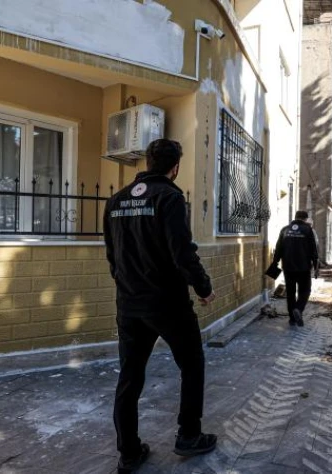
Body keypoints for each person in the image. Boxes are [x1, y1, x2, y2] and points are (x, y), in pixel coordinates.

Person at [103, 139, 217, 473]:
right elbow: (181, 252)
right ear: (175, 167)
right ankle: (189, 435)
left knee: (130, 375)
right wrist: (204, 288)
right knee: (192, 365)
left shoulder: (115, 201)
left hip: (129, 304)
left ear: (147, 161)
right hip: (168, 304)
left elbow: (112, 257)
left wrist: (128, 288)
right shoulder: (170, 197)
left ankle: (128, 451)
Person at [272, 210, 319, 327]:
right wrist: (316, 265)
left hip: (288, 267)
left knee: (291, 292)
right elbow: (313, 249)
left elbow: (278, 248)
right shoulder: (308, 230)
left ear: (295, 217)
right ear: (305, 219)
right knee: (305, 290)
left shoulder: (285, 229)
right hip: (303, 267)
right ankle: (298, 309)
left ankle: (292, 319)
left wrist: (275, 262)